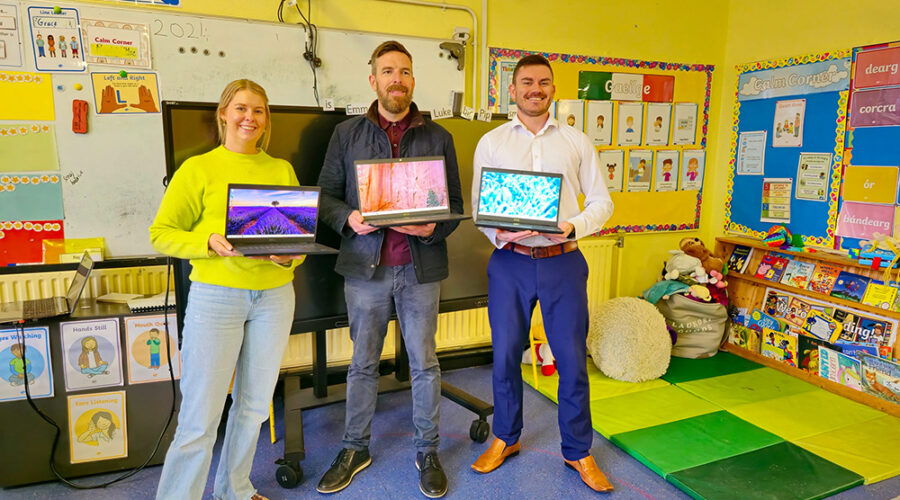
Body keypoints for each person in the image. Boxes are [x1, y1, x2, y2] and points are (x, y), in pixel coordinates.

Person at [316, 40, 463, 498]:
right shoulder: (346, 134)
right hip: (366, 269)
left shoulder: (439, 137)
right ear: (373, 79)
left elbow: (454, 206)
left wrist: (431, 231)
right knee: (361, 365)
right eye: (387, 71)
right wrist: (349, 218)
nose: (396, 79)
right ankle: (354, 448)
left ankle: (427, 449)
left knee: (425, 365)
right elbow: (324, 197)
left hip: (420, 270)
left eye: (403, 71)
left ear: (412, 80)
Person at [149, 79, 303, 500]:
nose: (249, 117)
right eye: (240, 108)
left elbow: (296, 243)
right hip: (216, 296)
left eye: (258, 110)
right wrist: (207, 242)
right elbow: (161, 234)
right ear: (223, 114)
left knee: (253, 407)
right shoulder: (197, 169)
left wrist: (286, 257)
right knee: (201, 417)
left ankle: (235, 489)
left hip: (274, 297)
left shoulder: (281, 170)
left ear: (266, 119)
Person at [469, 54, 614, 493]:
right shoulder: (491, 143)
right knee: (505, 355)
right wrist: (506, 231)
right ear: (511, 90)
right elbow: (480, 209)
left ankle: (578, 450)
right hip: (510, 262)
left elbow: (602, 204)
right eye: (527, 82)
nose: (536, 89)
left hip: (563, 261)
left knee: (571, 362)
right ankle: (505, 438)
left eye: (544, 82)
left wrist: (572, 225)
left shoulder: (577, 141)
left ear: (553, 89)